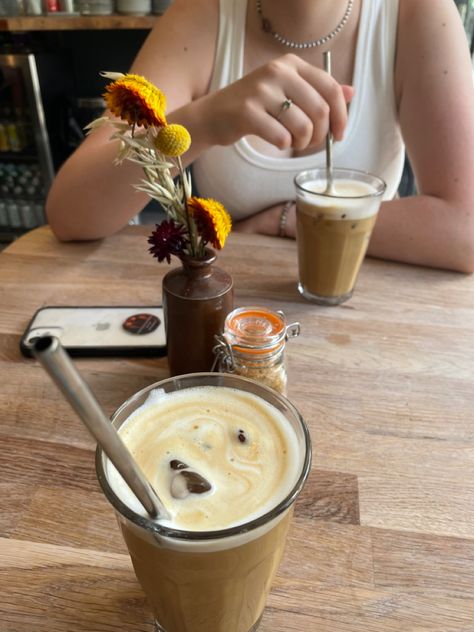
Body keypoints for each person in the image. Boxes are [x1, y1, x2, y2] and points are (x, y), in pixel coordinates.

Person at [46, 0, 474, 273]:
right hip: (231, 312)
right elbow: (72, 214)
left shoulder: (418, 13)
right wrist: (204, 121)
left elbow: (465, 230)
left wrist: (288, 220)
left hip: (371, 309)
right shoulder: (200, 15)